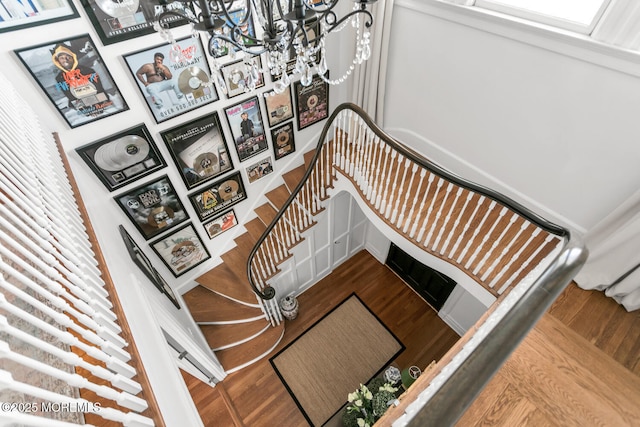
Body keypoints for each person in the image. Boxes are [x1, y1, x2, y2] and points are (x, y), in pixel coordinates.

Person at [51, 43, 107, 110]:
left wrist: (97, 107)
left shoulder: (89, 71)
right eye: (61, 58)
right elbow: (71, 97)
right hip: (80, 109)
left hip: (101, 105)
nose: (65, 60)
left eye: (68, 57)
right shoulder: (60, 78)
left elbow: (101, 93)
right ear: (58, 61)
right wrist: (85, 109)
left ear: (73, 57)